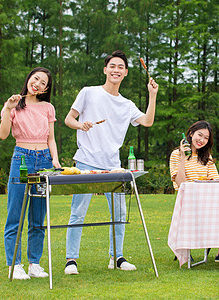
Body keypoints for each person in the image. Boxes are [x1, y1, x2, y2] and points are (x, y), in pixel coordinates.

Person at [64, 50, 159, 275]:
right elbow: (69, 119)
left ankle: (116, 257)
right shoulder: (88, 92)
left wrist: (152, 96)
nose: (116, 70)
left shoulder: (126, 104)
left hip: (112, 165)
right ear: (105, 69)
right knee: (78, 211)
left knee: (119, 213)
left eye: (120, 67)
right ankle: (71, 260)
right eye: (112, 66)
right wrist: (81, 125)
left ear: (125, 73)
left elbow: (147, 121)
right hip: (85, 161)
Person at [0, 67, 61, 280]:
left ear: (45, 89)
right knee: (15, 214)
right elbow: (3, 134)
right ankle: (14, 265)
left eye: (44, 83)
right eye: (36, 79)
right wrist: (8, 109)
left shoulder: (47, 108)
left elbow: (51, 138)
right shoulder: (14, 105)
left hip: (44, 160)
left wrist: (55, 160)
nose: (38, 84)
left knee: (38, 216)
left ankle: (34, 263)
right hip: (22, 160)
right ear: (28, 79)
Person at [169, 120, 219, 264]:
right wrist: (182, 158)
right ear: (191, 133)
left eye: (206, 138)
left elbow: (216, 181)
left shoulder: (206, 157)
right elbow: (180, 183)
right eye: (200, 135)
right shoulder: (176, 154)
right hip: (187, 199)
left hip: (206, 198)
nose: (202, 140)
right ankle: (185, 249)